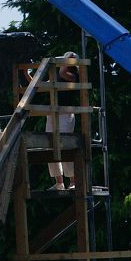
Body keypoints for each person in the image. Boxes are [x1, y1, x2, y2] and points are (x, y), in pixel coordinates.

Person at [46, 52, 79, 190]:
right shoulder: (57, 77)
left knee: (65, 146)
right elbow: (37, 84)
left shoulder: (73, 76)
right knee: (50, 145)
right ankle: (59, 182)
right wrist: (25, 73)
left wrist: (65, 61)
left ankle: (72, 182)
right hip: (52, 114)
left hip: (65, 114)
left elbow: (63, 71)